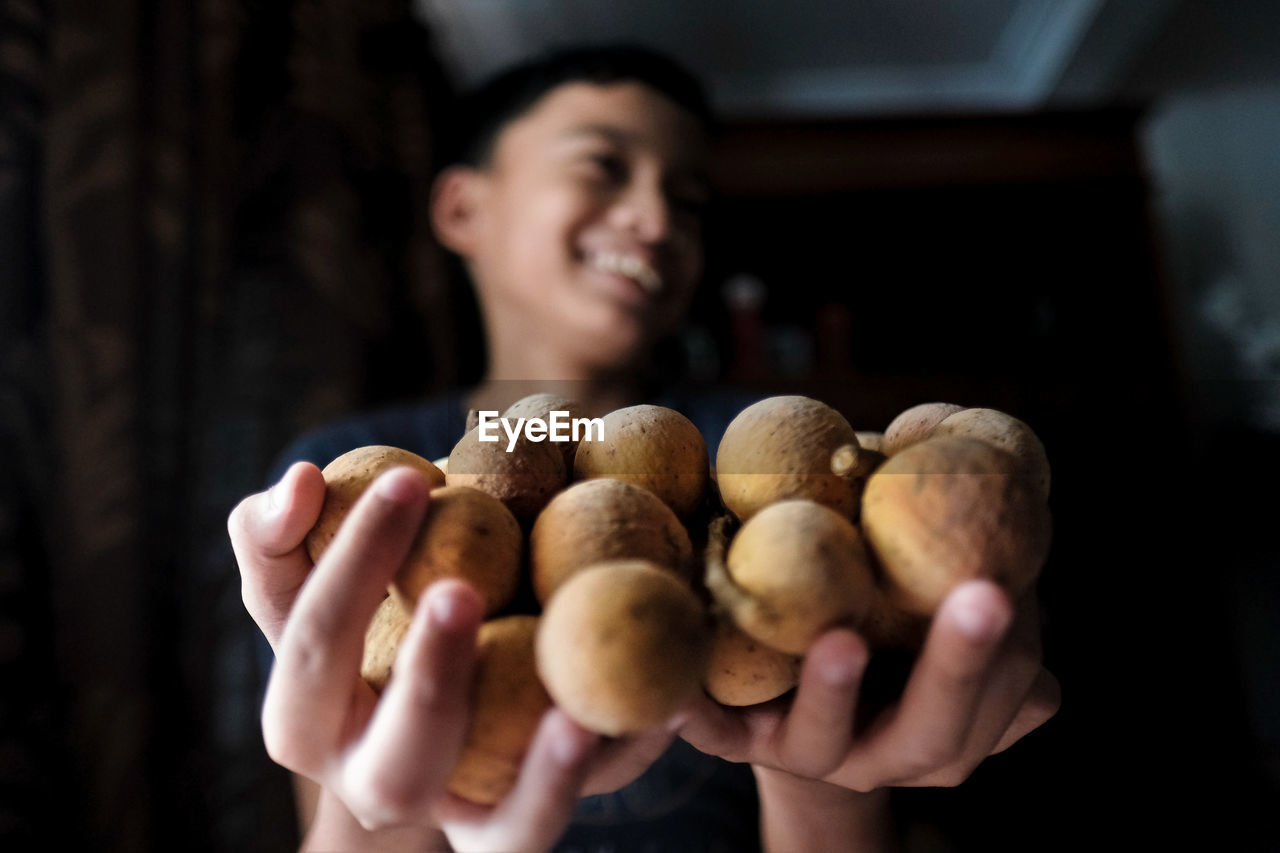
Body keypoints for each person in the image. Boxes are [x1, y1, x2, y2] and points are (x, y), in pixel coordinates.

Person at [228, 44, 1060, 852]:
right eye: (602, 165)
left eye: (689, 200)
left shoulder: (761, 457)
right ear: (461, 208)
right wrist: (387, 807)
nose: (658, 220)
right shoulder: (351, 469)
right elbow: (354, 805)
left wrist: (827, 770)